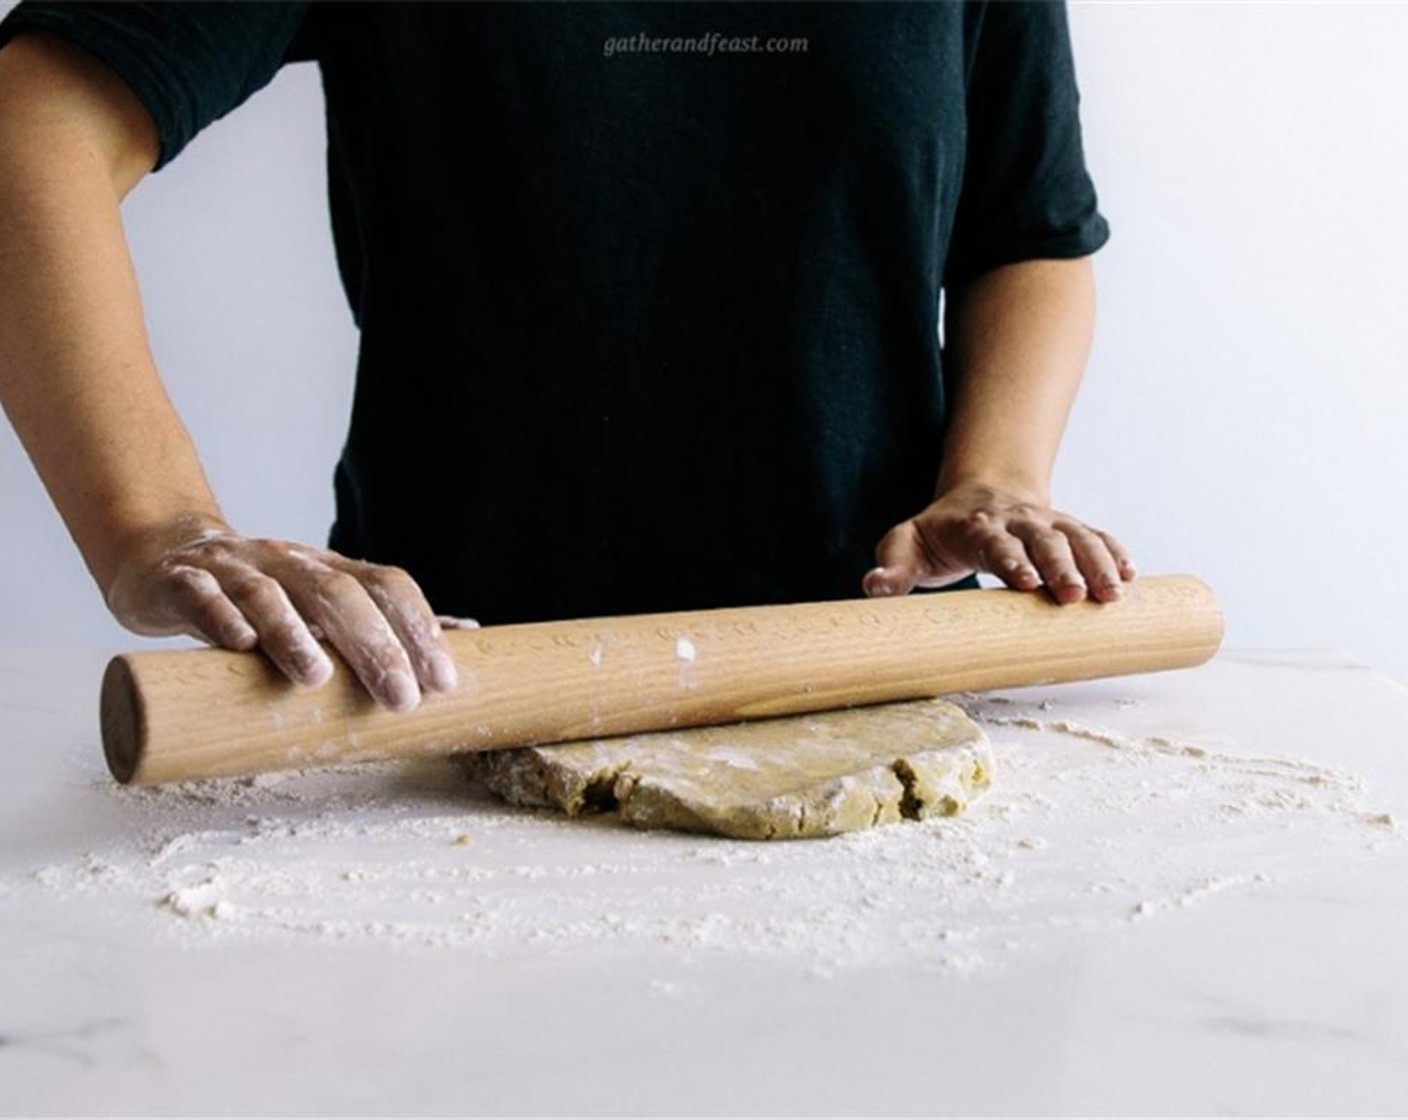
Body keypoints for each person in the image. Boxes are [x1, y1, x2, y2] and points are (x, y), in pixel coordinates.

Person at [0, 2, 1134, 714]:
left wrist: (996, 474)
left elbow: (1024, 234)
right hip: (447, 695)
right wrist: (160, 527)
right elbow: (29, 128)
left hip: (877, 677)